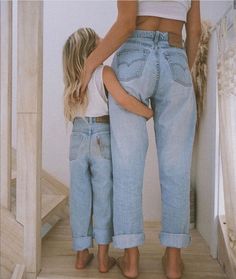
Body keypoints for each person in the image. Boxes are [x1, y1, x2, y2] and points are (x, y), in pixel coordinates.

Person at [79, 1, 201, 279]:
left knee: (127, 168)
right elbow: (194, 31)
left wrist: (89, 64)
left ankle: (131, 260)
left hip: (134, 57)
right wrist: (181, 71)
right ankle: (173, 262)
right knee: (176, 168)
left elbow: (126, 24)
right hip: (176, 55)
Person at [62, 27, 153, 274]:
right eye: (98, 41)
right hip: (102, 136)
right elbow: (123, 99)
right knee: (104, 197)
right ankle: (103, 259)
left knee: (80, 197)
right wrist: (147, 112)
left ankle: (81, 255)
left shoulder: (72, 80)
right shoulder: (103, 72)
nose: (104, 42)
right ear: (91, 50)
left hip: (78, 137)